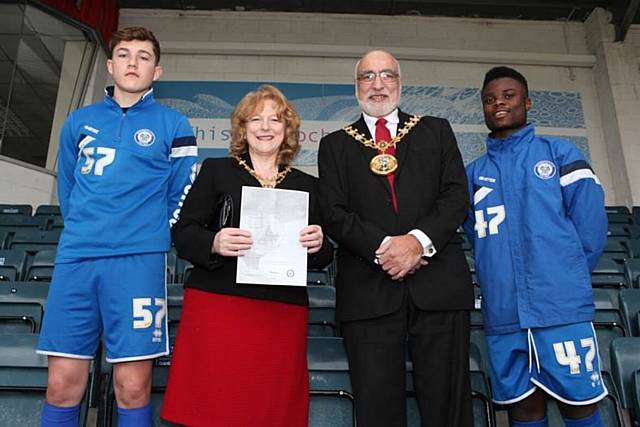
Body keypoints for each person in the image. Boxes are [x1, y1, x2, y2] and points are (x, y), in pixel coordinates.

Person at [36, 26, 198, 427]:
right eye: (124, 55)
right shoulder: (79, 121)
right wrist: (87, 231)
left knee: (132, 387)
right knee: (62, 385)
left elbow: (182, 194)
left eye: (143, 57)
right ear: (110, 66)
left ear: (157, 71)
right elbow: (69, 188)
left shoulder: (174, 124)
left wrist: (147, 234)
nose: (133, 62)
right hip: (78, 258)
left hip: (137, 263)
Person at [161, 84, 333, 426]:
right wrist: (214, 242)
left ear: (287, 131)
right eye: (256, 119)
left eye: (274, 120)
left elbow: (324, 253)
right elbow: (183, 233)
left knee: (270, 408)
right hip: (218, 306)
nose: (265, 127)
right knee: (211, 405)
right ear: (243, 128)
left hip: (280, 312)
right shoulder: (216, 171)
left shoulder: (307, 185)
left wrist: (319, 242)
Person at [317, 50, 474, 426]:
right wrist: (388, 249)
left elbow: (455, 197)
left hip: (439, 287)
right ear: (356, 87)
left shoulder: (436, 130)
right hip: (368, 290)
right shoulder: (334, 145)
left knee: (448, 404)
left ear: (400, 83)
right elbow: (334, 214)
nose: (378, 84)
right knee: (377, 407)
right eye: (367, 76)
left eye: (387, 75)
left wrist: (417, 242)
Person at [465, 66, 608, 427]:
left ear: (527, 102)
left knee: (579, 403)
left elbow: (591, 231)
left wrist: (563, 279)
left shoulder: (559, 153)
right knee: (523, 408)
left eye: (508, 95)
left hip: (559, 310)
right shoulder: (472, 173)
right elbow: (472, 233)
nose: (498, 103)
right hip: (503, 313)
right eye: (489, 98)